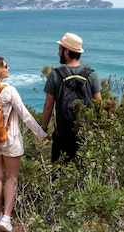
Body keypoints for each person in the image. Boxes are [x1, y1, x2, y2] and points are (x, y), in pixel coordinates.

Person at [0, 56, 48, 232]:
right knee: (12, 177)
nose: (8, 67)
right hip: (10, 139)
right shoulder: (9, 91)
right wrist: (42, 135)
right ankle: (7, 218)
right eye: (5, 66)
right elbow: (25, 116)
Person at [41, 32, 101, 163]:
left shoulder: (55, 75)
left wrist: (43, 128)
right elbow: (99, 105)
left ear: (67, 52)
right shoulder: (91, 75)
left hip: (62, 136)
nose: (58, 53)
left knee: (59, 174)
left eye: (60, 49)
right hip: (84, 135)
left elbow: (48, 105)